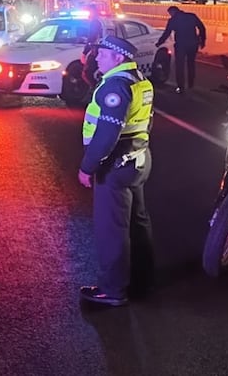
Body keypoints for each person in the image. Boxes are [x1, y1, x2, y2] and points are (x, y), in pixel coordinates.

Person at [78, 35, 155, 307]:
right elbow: (146, 122)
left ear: (118, 57)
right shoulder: (140, 82)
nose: (96, 57)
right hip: (138, 158)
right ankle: (143, 279)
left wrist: (88, 166)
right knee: (137, 222)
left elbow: (107, 133)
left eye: (102, 54)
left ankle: (112, 290)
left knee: (112, 229)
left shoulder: (115, 85)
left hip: (115, 164)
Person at [156, 5, 206, 93]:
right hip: (193, 44)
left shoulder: (173, 20)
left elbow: (167, 33)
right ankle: (191, 85)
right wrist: (202, 41)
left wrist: (159, 43)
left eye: (170, 13)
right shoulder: (191, 16)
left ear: (172, 12)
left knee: (180, 66)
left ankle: (180, 87)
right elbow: (202, 28)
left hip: (181, 45)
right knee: (191, 64)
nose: (170, 15)